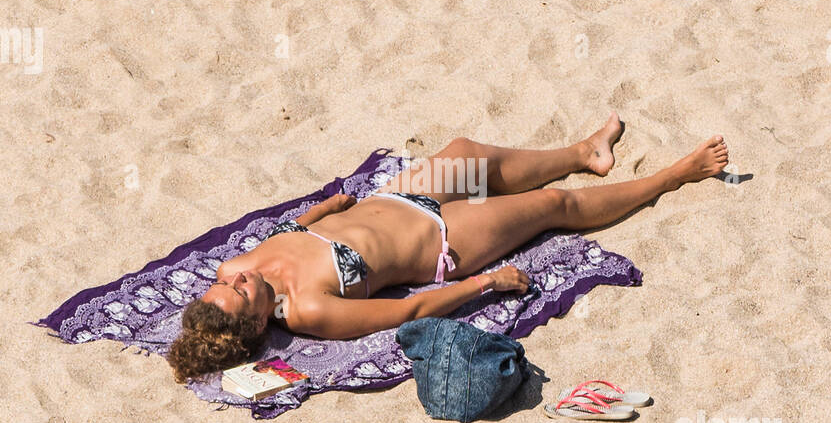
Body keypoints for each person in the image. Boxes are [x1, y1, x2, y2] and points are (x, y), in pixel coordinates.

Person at [167, 114, 728, 381]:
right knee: (555, 206)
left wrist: (323, 213)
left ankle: (584, 151)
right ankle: (676, 175)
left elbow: (289, 230)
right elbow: (409, 309)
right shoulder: (311, 309)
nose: (232, 281)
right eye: (237, 294)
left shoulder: (239, 265)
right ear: (260, 321)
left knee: (468, 153)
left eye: (223, 284)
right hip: (442, 241)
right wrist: (484, 284)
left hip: (401, 196)